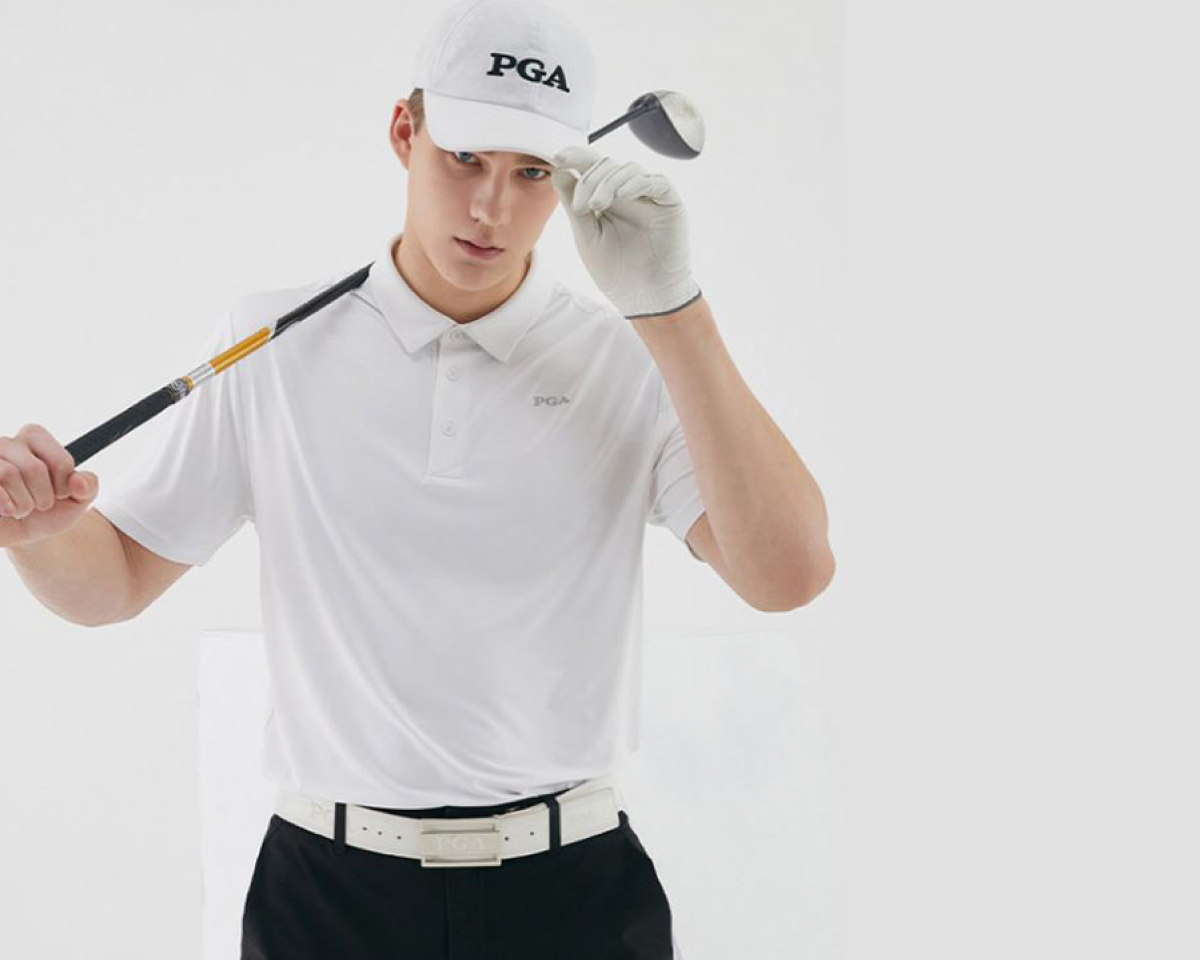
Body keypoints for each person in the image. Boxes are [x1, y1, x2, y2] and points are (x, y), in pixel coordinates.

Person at [1, 0, 834, 956]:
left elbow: (789, 574)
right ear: (405, 132)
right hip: (328, 895)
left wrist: (673, 310)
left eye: (533, 172)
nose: (492, 208)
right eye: (464, 158)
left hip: (572, 892)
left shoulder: (630, 357)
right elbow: (115, 581)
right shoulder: (269, 345)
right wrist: (40, 531)